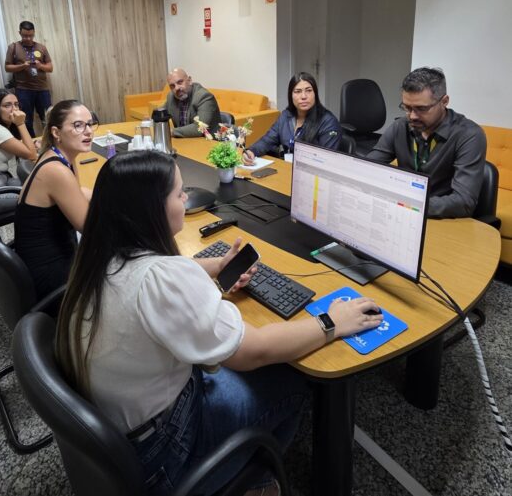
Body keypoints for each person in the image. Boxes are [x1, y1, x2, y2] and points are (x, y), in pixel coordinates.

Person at [55, 150, 382, 496]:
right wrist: (332, 321)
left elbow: (156, 282)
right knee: (292, 377)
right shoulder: (162, 280)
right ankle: (255, 482)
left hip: (125, 439)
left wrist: (212, 268)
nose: (186, 200)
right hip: (163, 456)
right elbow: (253, 352)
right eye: (179, 193)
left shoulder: (98, 256)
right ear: (151, 209)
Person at [366, 67, 487, 218]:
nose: (412, 116)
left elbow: (463, 203)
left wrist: (405, 204)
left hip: (443, 220)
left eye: (421, 109)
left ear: (444, 101)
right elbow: (367, 167)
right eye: (407, 107)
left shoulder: (469, 135)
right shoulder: (400, 126)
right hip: (402, 214)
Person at [14, 99, 97, 301]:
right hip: (52, 277)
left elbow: (78, 192)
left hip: (54, 255)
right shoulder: (56, 171)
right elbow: (90, 228)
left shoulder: (60, 157)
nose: (88, 131)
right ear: (56, 132)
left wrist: (109, 198)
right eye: (78, 125)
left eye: (90, 124)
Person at [242, 72, 341, 165]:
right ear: (291, 95)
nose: (303, 96)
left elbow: (326, 162)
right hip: (287, 169)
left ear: (315, 94)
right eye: (297, 91)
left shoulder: (328, 122)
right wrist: (251, 151)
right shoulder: (286, 116)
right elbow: (267, 140)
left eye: (309, 90)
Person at [5, 20, 53, 138]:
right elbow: (7, 67)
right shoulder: (13, 47)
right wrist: (22, 66)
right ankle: (31, 144)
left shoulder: (41, 47)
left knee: (48, 119)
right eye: (25, 36)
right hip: (23, 90)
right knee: (26, 121)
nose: (28, 38)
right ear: (19, 33)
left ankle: (49, 142)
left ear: (34, 33)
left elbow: (50, 68)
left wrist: (40, 66)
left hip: (42, 89)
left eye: (30, 35)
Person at [161, 68, 222, 138]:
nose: (176, 88)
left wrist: (171, 132)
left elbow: (200, 128)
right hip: (185, 140)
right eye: (172, 86)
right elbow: (160, 114)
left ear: (189, 80)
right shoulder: (171, 96)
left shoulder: (204, 97)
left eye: (180, 82)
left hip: (209, 141)